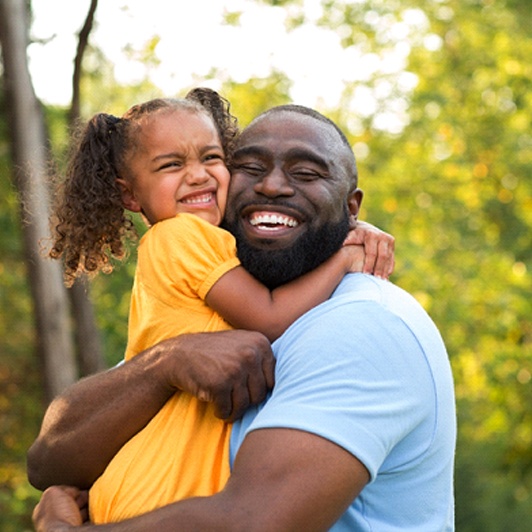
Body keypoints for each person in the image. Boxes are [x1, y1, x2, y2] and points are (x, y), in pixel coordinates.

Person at [31, 104, 455, 531]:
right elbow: (49, 463)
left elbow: (252, 523)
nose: (270, 186)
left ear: (351, 208)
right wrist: (165, 363)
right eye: (249, 167)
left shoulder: (363, 325)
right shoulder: (207, 315)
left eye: (306, 174)